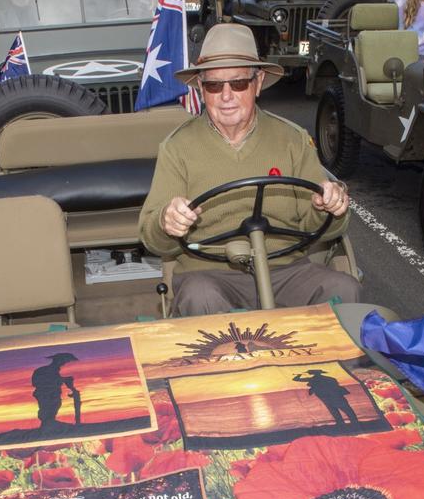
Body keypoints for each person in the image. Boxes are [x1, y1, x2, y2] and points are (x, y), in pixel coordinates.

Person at [138, 24, 358, 317]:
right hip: (209, 272)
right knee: (199, 297)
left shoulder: (292, 139)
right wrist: (168, 221)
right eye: (214, 85)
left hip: (286, 269)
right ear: (201, 89)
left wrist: (329, 207)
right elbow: (152, 238)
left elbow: (324, 225)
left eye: (238, 83)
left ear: (258, 82)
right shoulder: (177, 148)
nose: (226, 95)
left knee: (344, 289)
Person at [293, 370, 359, 425]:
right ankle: (353, 422)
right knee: (346, 409)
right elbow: (336, 385)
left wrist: (300, 374)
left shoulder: (312, 379)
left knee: (335, 411)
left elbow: (295, 379)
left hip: (327, 397)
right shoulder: (330, 378)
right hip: (335, 396)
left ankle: (342, 423)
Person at [32, 353, 80, 428]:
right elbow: (38, 382)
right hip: (46, 394)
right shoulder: (44, 370)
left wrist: (64, 380)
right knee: (49, 408)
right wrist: (63, 380)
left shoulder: (53, 370)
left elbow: (55, 380)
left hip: (52, 394)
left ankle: (49, 424)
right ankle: (47, 425)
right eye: (64, 361)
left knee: (55, 405)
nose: (64, 363)